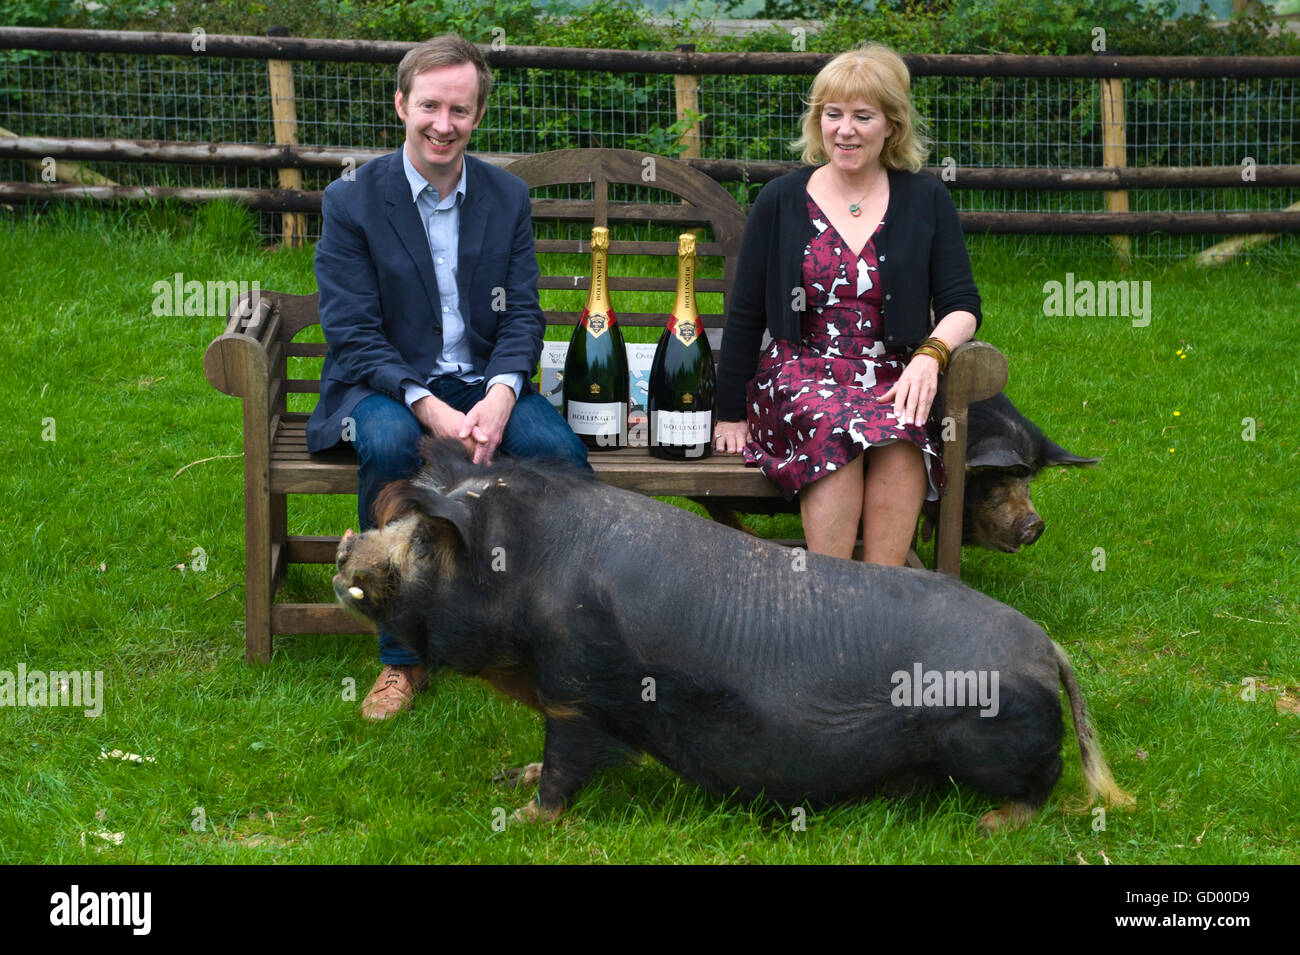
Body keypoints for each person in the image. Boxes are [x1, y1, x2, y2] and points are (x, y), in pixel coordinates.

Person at [306, 33, 589, 719]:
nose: (443, 124)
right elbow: (352, 332)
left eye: (459, 110)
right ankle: (402, 655)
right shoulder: (353, 202)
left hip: (482, 382)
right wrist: (424, 403)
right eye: (429, 105)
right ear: (402, 104)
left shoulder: (506, 196)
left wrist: (501, 391)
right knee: (389, 446)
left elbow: (522, 313)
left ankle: (556, 633)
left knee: (561, 455)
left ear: (478, 116)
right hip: (383, 386)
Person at [713, 43, 981, 566]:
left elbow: (962, 303)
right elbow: (744, 312)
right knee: (836, 425)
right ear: (819, 121)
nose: (845, 130)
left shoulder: (925, 200)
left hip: (887, 373)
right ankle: (827, 597)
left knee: (903, 435)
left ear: (892, 125)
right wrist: (728, 414)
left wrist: (931, 354)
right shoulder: (781, 200)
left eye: (863, 116)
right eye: (833, 115)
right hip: (799, 372)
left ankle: (881, 598)